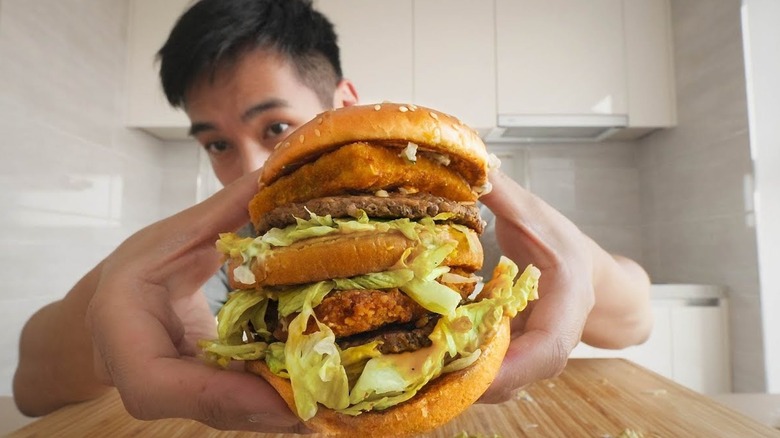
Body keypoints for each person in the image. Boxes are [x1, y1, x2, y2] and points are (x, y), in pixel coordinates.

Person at [13, 0, 652, 432]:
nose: (250, 168)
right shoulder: (209, 262)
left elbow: (635, 320)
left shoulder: (449, 231)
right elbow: (29, 382)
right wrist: (104, 315)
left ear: (345, 106)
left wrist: (570, 253)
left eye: (277, 126)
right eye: (216, 143)